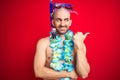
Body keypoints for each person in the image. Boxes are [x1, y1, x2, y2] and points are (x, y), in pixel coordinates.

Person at [34, 3, 90, 80]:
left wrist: (79, 48)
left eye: (66, 20)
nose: (62, 24)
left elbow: (84, 74)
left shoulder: (78, 43)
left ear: (70, 22)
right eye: (58, 20)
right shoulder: (43, 43)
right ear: (53, 22)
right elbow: (38, 72)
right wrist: (68, 74)